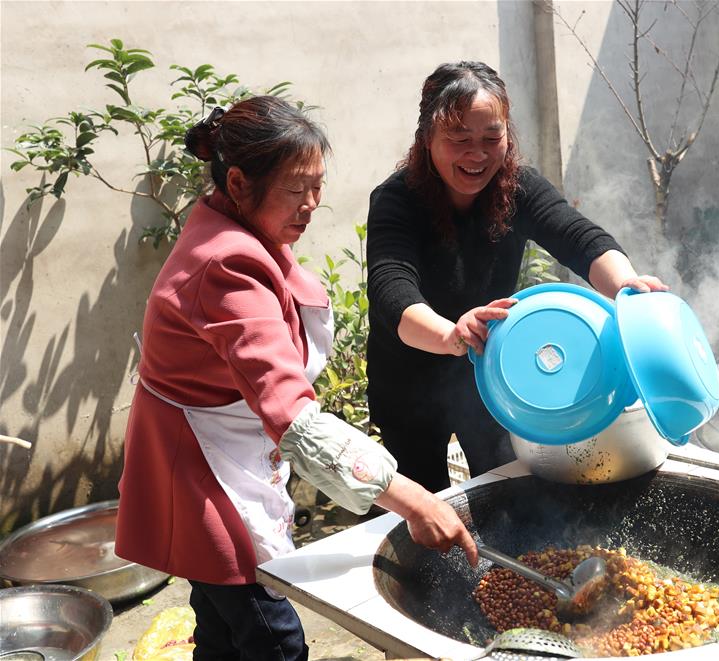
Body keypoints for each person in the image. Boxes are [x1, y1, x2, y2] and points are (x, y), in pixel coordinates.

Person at [115, 96, 477, 661]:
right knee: (271, 636)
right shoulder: (226, 265)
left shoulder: (243, 227)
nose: (311, 205)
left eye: (318, 186)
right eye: (295, 188)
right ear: (238, 182)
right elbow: (293, 417)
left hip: (225, 453)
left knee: (218, 628)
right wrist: (414, 501)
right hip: (201, 470)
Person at [366, 61, 668, 493]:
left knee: (508, 494)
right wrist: (453, 334)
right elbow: (392, 289)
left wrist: (625, 284)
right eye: (459, 140)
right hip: (408, 384)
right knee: (427, 509)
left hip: (493, 375)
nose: (478, 155)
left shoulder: (516, 186)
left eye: (492, 138)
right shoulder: (397, 202)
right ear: (426, 139)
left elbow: (576, 235)